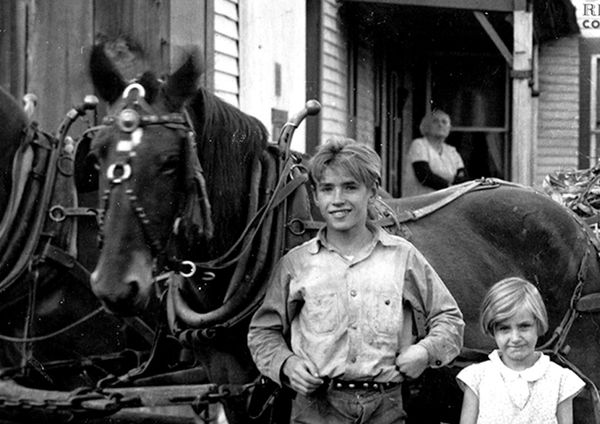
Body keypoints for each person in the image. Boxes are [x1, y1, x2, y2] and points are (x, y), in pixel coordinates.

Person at [247, 137, 464, 423]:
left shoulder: (402, 257)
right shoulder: (296, 264)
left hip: (385, 408)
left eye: (350, 187)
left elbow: (449, 319)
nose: (337, 199)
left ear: (372, 192)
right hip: (317, 409)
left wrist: (424, 352)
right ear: (316, 196)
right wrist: (287, 364)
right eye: (327, 189)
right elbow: (263, 332)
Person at [456, 277, 585, 424]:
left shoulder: (560, 380)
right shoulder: (477, 378)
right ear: (493, 330)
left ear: (538, 324)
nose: (515, 338)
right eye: (504, 329)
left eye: (524, 326)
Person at [404, 109, 467, 197]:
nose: (440, 125)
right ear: (426, 126)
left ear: (449, 128)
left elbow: (462, 179)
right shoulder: (419, 145)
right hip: (420, 202)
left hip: (446, 202)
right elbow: (424, 176)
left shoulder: (452, 151)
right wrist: (450, 184)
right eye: (435, 121)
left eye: (444, 122)